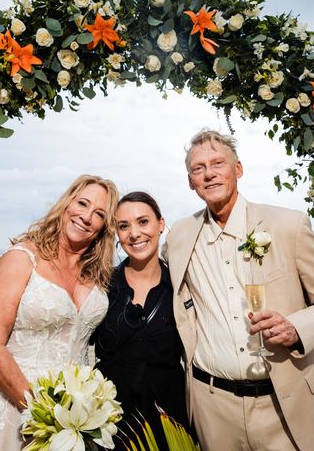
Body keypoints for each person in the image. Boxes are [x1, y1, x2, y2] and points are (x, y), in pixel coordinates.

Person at [163, 130, 314, 451]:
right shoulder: (179, 237)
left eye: (218, 163)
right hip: (213, 409)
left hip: (284, 405)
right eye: (198, 169)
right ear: (190, 182)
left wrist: (297, 328)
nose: (209, 174)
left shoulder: (288, 226)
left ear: (238, 169)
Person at [0, 174, 119, 451]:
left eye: (99, 213)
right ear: (66, 204)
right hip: (13, 407)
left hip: (75, 418)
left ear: (104, 227)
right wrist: (44, 414)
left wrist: (77, 416)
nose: (87, 217)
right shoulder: (21, 259)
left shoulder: (96, 274)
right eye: (82, 203)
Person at [93, 192, 187, 450]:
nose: (134, 234)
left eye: (143, 222)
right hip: (109, 419)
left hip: (168, 417)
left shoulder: (182, 286)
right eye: (124, 226)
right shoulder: (102, 286)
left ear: (160, 224)